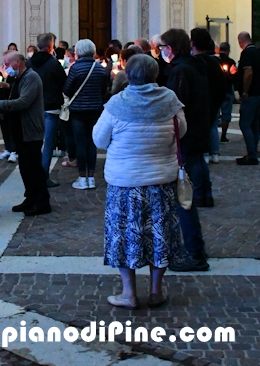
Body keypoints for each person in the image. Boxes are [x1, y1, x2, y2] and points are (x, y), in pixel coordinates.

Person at [94, 54, 187, 309]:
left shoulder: (117, 104)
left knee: (125, 237)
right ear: (155, 74)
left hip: (125, 183)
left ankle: (129, 293)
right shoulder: (170, 101)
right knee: (160, 236)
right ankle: (156, 291)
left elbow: (99, 140)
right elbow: (182, 131)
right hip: (160, 181)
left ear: (128, 74)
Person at [160, 28, 210, 271]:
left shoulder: (180, 71)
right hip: (195, 136)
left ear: (171, 48)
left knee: (183, 199)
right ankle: (192, 247)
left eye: (163, 47)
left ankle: (194, 252)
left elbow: (175, 110)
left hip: (185, 141)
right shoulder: (194, 67)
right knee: (183, 197)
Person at [0, 52, 51, 216]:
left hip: (30, 130)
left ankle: (41, 201)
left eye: (7, 64)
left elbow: (23, 101)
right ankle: (30, 197)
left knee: (33, 167)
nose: (5, 68)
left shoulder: (31, 77)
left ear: (17, 62)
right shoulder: (19, 78)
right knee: (25, 167)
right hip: (21, 130)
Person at [63, 39, 109, 190]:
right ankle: (91, 177)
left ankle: (82, 177)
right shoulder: (100, 68)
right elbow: (104, 90)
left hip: (78, 111)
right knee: (92, 144)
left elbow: (67, 90)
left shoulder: (76, 68)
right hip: (95, 110)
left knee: (81, 143)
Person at [28, 33, 67, 188]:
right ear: (51, 46)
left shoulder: (30, 63)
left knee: (34, 143)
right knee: (48, 144)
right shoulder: (54, 64)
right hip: (51, 107)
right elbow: (64, 83)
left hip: (33, 108)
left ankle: (34, 174)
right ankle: (43, 175)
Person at [191, 29, 225, 169]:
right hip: (213, 100)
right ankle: (215, 153)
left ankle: (205, 152)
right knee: (213, 127)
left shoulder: (193, 64)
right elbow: (221, 84)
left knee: (204, 127)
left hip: (200, 102)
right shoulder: (214, 64)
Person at [235, 31, 260, 165]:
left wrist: (245, 91)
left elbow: (248, 72)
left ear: (240, 41)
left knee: (245, 123)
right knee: (254, 124)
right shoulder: (258, 53)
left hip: (251, 94)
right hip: (259, 93)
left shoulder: (246, 53)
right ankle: (253, 151)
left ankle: (251, 154)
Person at [217, 42, 237, 143]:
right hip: (227, 90)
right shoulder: (231, 61)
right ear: (228, 50)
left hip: (216, 91)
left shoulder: (215, 60)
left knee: (215, 114)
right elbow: (234, 77)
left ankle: (213, 135)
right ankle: (223, 135)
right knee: (226, 114)